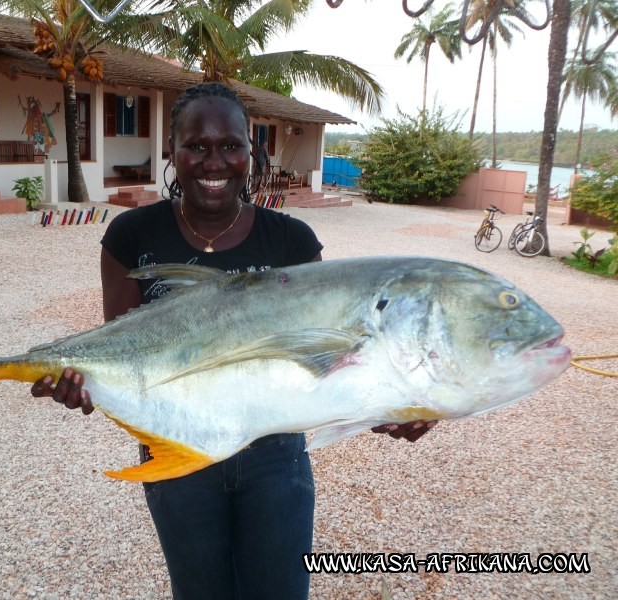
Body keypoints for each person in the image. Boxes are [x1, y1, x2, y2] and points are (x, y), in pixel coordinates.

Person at [31, 82, 435, 599]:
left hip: (275, 457)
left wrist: (389, 406)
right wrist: (82, 383)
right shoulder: (131, 235)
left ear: (251, 152)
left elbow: (320, 360)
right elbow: (126, 353)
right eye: (197, 146)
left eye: (231, 146)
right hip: (176, 443)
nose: (214, 161)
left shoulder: (292, 240)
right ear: (172, 153)